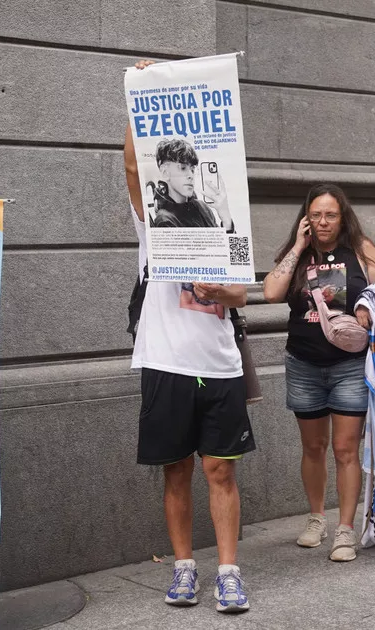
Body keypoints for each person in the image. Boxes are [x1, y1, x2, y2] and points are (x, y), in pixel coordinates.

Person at [124, 59, 254, 614]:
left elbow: (243, 294)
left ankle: (228, 572)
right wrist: (138, 95)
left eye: (192, 169)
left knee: (220, 470)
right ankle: (184, 568)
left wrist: (220, 291)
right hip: (166, 358)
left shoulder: (217, 215)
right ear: (166, 173)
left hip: (218, 360)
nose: (187, 177)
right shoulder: (152, 220)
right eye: (180, 171)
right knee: (175, 469)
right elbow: (131, 166)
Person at [263, 183, 375, 562]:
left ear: (342, 216)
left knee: (345, 448)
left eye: (330, 214)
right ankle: (316, 518)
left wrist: (366, 304)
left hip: (348, 365)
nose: (323, 222)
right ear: (306, 218)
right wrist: (299, 248)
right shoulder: (297, 254)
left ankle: (345, 529)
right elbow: (271, 292)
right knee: (313, 447)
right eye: (315, 215)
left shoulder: (361, 249)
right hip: (303, 363)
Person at [149, 138, 234, 231]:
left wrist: (226, 219)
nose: (191, 175)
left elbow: (223, 244)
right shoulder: (164, 220)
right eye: (183, 168)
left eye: (192, 170)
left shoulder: (202, 207)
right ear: (165, 173)